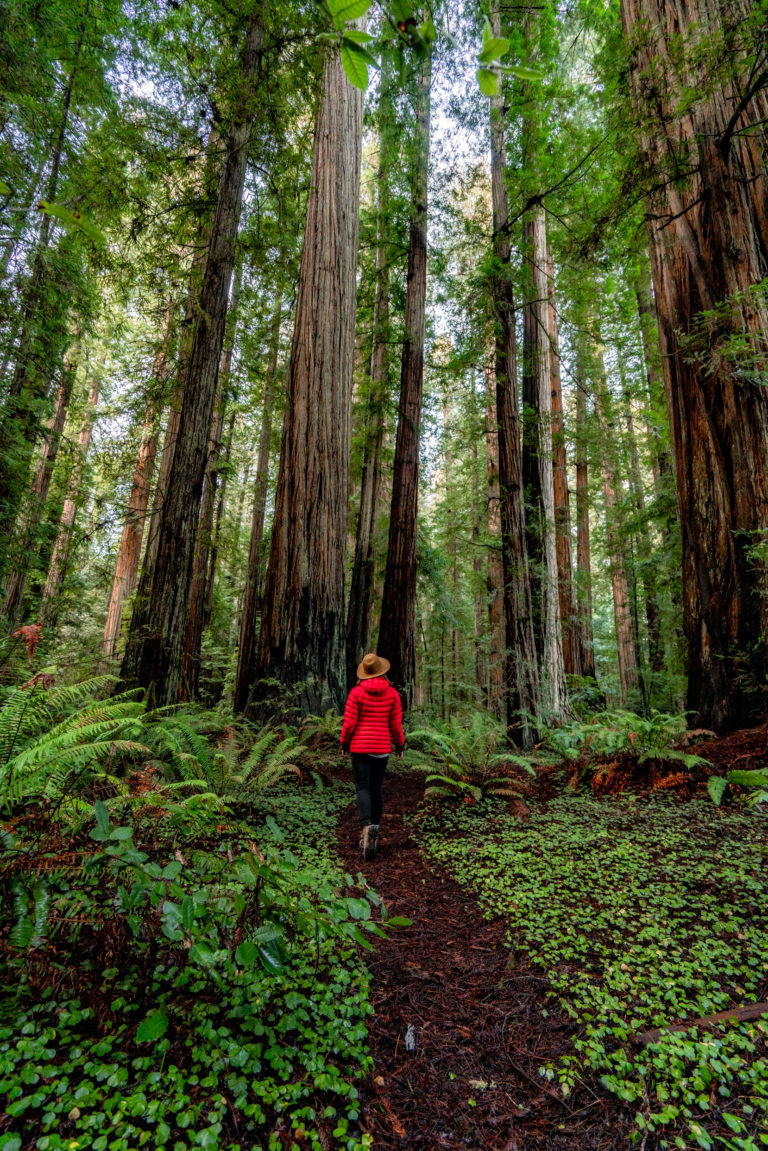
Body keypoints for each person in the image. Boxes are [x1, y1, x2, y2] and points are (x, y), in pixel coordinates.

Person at [340, 652, 405, 860]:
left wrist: (344, 742)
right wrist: (400, 744)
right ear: (382, 671)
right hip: (381, 749)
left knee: (362, 787)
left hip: (359, 748)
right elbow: (395, 725)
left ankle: (365, 827)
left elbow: (349, 724)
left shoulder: (356, 693)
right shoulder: (393, 694)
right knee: (376, 787)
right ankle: (374, 831)